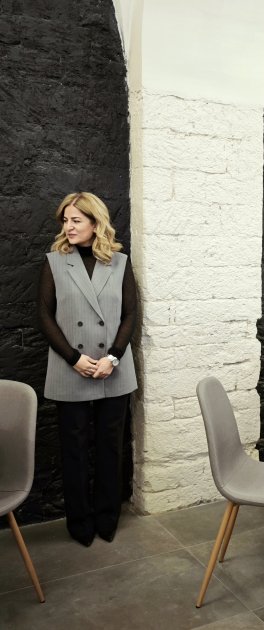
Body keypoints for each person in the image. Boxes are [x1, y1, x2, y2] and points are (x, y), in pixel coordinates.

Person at [38, 192, 137, 547]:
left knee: (111, 446)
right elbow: (44, 316)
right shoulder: (54, 262)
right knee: (74, 449)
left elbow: (130, 314)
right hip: (71, 366)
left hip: (113, 367)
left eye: (76, 220)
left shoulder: (120, 262)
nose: (68, 226)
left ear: (96, 224)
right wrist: (73, 358)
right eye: (65, 220)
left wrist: (113, 357)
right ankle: (79, 522)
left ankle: (108, 518)